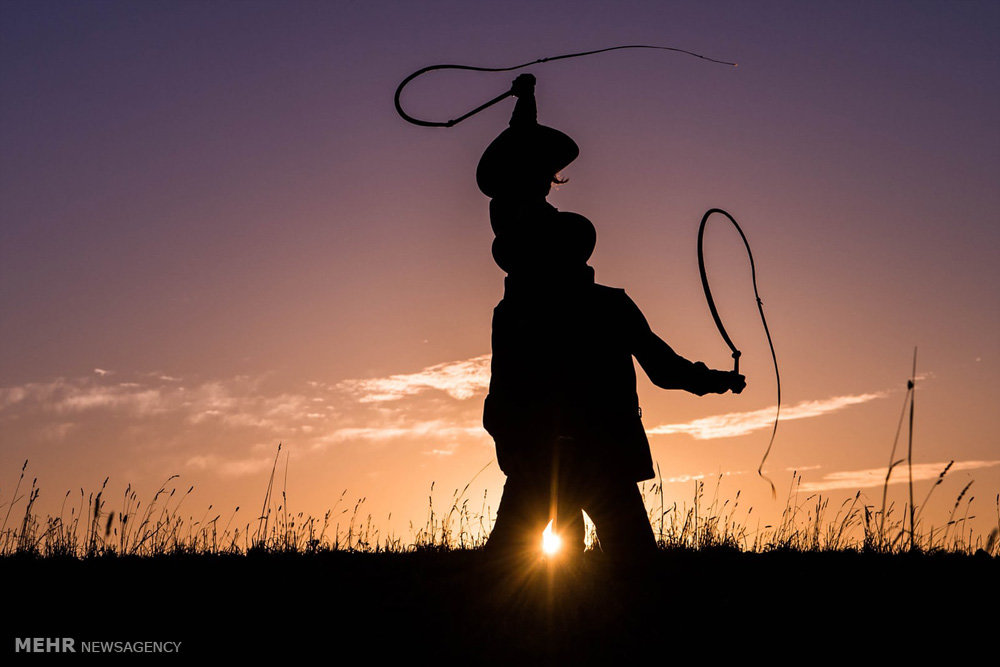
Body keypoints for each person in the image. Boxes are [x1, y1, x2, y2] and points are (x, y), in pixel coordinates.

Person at [478, 75, 745, 561]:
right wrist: (718, 382)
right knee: (635, 568)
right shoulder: (607, 304)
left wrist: (526, 111)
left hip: (539, 456)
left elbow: (514, 194)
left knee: (506, 570)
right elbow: (665, 370)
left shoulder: (517, 309)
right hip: (602, 454)